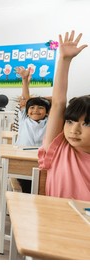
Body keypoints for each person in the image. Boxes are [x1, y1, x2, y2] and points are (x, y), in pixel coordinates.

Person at [38, 30, 90, 200]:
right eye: (70, 121)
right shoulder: (59, 147)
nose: (74, 130)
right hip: (56, 223)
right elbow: (59, 102)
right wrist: (64, 61)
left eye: (86, 124)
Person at [14, 66, 51, 193]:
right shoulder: (24, 119)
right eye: (32, 107)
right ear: (27, 110)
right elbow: (25, 99)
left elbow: (57, 102)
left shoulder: (49, 122)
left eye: (40, 107)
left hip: (42, 160)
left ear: (47, 112)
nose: (35, 110)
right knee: (27, 184)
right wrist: (24, 80)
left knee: (42, 185)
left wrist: (45, 99)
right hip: (23, 158)